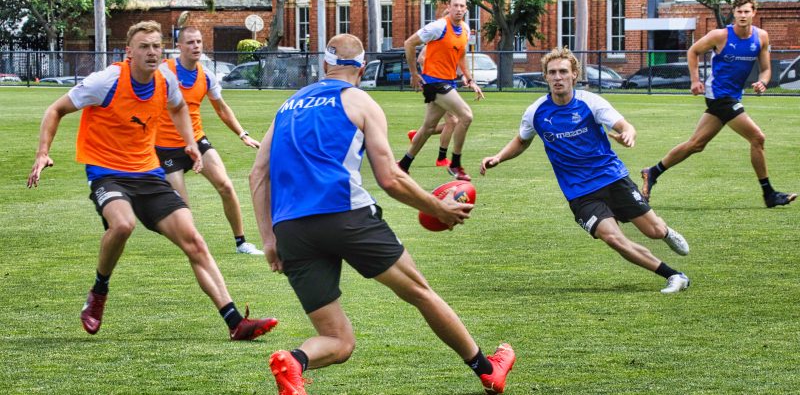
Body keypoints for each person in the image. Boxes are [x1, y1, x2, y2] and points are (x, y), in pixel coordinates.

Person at [250, 34, 516, 395]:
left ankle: (295, 362)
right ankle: (488, 370)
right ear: (361, 67)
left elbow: (257, 174)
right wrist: (439, 208)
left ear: (325, 65)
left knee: (337, 340)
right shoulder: (360, 101)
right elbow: (389, 178)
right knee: (420, 292)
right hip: (345, 216)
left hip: (291, 229)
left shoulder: (288, 105)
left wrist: (268, 239)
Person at [27, 21, 277, 339]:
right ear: (129, 52)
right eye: (144, 46)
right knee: (123, 224)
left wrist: (189, 142)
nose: (152, 52)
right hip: (107, 172)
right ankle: (99, 292)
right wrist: (42, 152)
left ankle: (235, 323)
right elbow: (55, 110)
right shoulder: (106, 81)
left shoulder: (165, 81)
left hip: (147, 172)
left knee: (195, 242)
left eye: (157, 46)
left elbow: (179, 109)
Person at [480, 47, 691, 294]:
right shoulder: (536, 112)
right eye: (552, 73)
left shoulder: (590, 102)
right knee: (614, 239)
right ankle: (675, 276)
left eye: (562, 72)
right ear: (545, 77)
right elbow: (522, 140)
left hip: (612, 179)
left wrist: (627, 134)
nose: (557, 77)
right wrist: (498, 157)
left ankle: (665, 232)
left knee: (653, 231)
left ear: (574, 75)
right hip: (580, 193)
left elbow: (624, 125)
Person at [640, 0, 796, 208]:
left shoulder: (761, 37)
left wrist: (763, 82)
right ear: (733, 13)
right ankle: (769, 194)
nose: (742, 15)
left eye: (746, 11)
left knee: (696, 144)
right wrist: (695, 80)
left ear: (754, 13)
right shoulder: (720, 35)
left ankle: (653, 172)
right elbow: (693, 51)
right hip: (718, 95)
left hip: (733, 96)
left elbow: (766, 69)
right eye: (739, 11)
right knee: (758, 138)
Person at [155, 26, 263, 255]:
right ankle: (192, 245)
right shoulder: (163, 72)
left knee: (225, 185)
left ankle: (241, 242)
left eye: (198, 42)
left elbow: (222, 109)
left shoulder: (206, 76)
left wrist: (243, 134)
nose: (196, 46)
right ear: (179, 46)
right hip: (166, 147)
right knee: (182, 206)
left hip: (197, 140)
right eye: (190, 42)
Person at [398, 0, 484, 181]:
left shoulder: (465, 30)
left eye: (462, 6)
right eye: (456, 5)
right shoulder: (438, 27)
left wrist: (470, 80)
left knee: (428, 128)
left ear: (466, 9)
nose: (459, 9)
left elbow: (460, 56)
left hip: (449, 81)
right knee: (466, 116)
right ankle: (455, 164)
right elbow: (409, 43)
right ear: (449, 6)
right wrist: (414, 73)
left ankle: (402, 165)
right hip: (434, 83)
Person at [406, 20, 459, 168]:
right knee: (453, 121)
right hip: (435, 84)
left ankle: (417, 136)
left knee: (435, 125)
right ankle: (441, 158)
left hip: (444, 83)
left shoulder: (452, 40)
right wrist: (431, 75)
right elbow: (421, 58)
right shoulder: (436, 39)